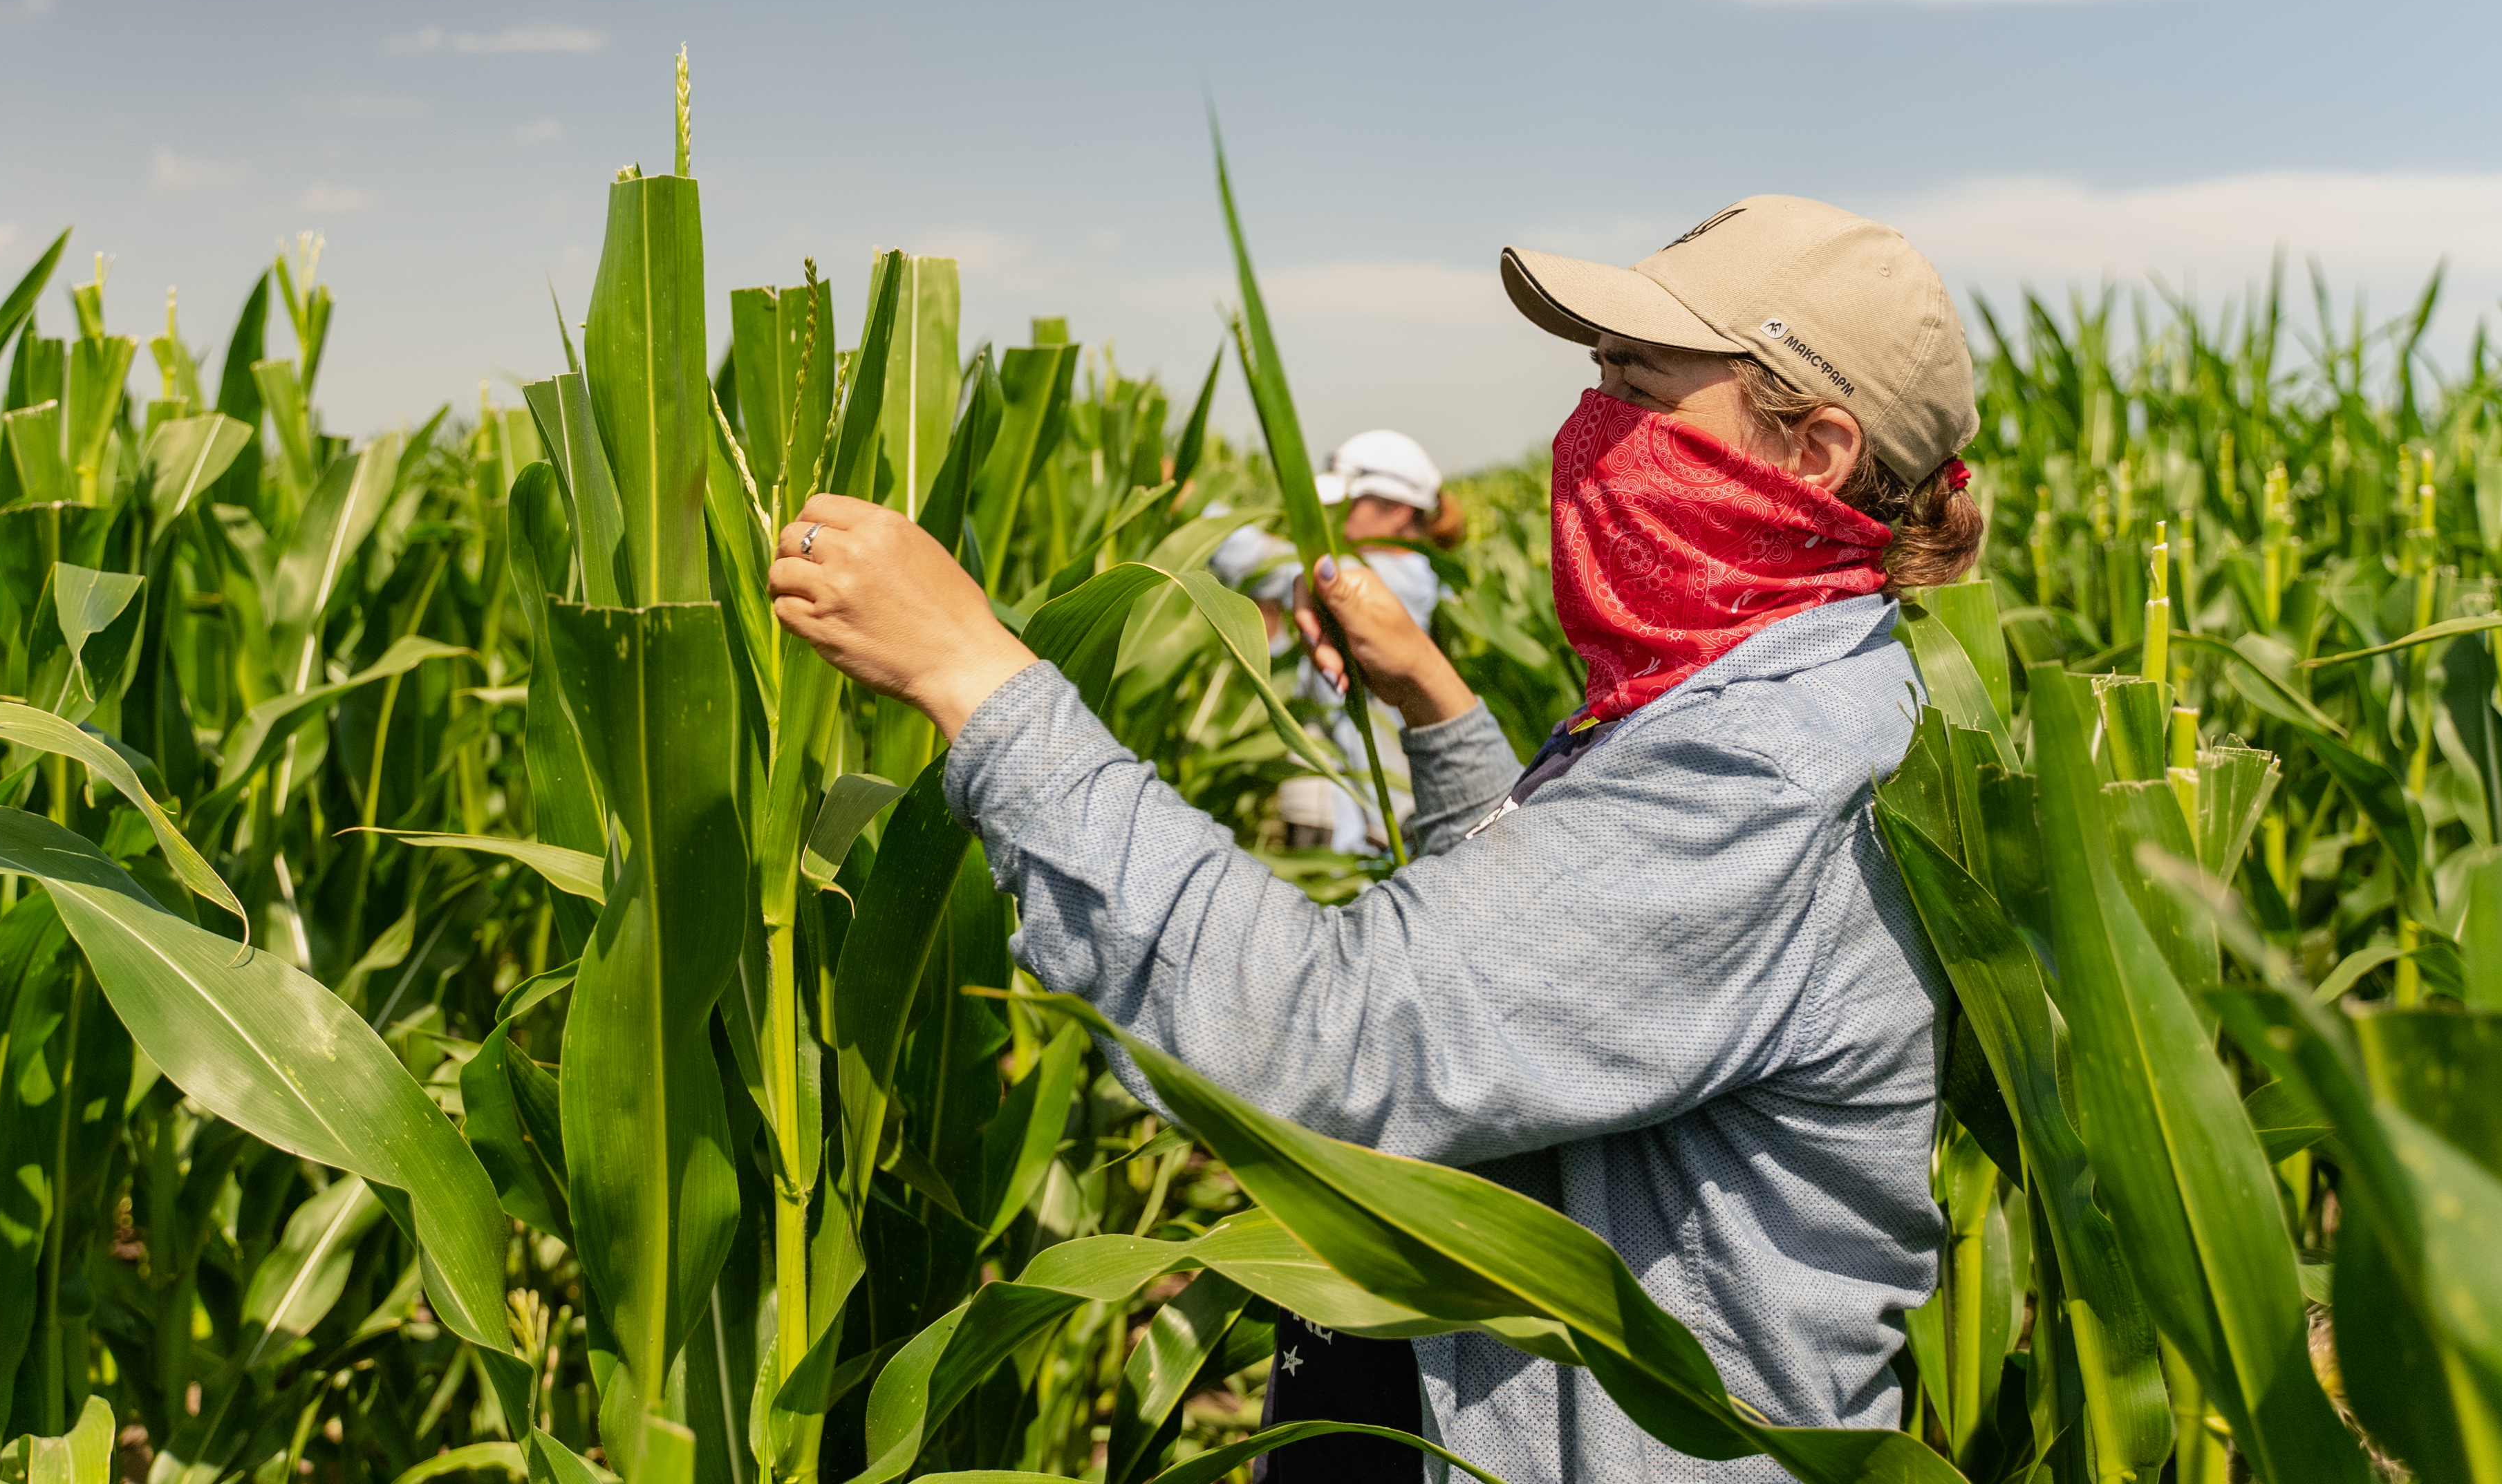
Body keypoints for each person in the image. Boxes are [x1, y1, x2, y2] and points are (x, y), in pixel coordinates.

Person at [767, 196, 1985, 1483]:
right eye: (1598, 375)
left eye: (1641, 381)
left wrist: (978, 678)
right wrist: (1443, 713)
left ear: (1816, 451)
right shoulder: (1744, 696)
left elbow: (1336, 1042)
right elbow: (1575, 981)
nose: (1596, 417)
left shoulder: (1768, 764)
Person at [1210, 429, 1463, 856]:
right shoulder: (1389, 578)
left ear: (1398, 512)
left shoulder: (1395, 580)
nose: (1337, 517)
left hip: (1374, 826)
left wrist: (1192, 505)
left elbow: (1258, 559)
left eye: (1352, 503)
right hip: (1333, 812)